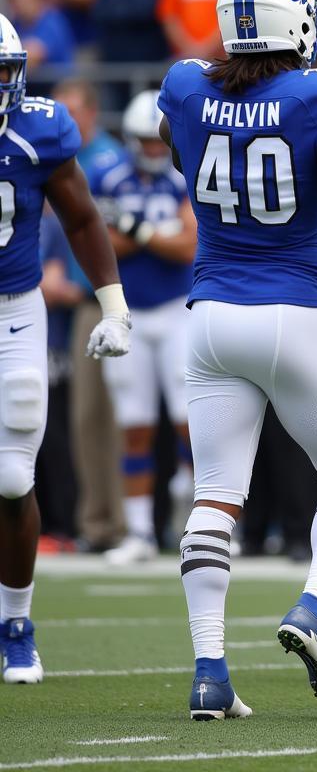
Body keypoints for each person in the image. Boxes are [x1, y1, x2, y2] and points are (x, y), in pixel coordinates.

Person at [157, 0, 317, 720]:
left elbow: (179, 142)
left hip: (211, 316)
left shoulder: (187, 86)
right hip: (292, 310)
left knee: (216, 495)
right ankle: (316, 608)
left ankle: (209, 671)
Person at [0, 15, 132, 684]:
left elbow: (81, 215)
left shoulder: (37, 129)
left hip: (15, 312)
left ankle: (16, 622)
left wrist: (112, 304)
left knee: (12, 479)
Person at [91, 92, 197, 563]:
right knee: (134, 425)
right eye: (145, 142)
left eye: (158, 142)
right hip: (129, 311)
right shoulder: (107, 177)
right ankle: (139, 532)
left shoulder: (184, 173)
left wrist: (133, 227)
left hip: (178, 310)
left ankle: (198, 523)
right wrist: (155, 235)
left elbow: (186, 247)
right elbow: (101, 245)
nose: (154, 151)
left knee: (189, 424)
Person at [51, 79, 127, 554]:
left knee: (122, 418)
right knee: (86, 419)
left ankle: (123, 524)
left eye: (72, 112)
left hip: (112, 303)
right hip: (79, 303)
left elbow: (111, 234)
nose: (64, 122)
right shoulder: (62, 158)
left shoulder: (108, 163)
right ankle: (97, 522)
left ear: (93, 113)